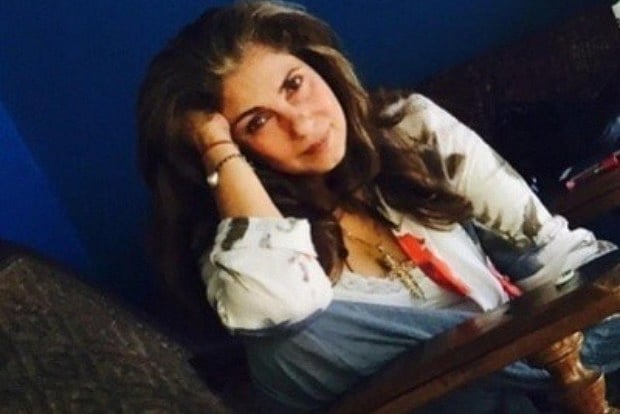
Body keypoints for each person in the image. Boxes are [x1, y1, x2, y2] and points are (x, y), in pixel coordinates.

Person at [137, 1, 619, 412]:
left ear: (320, 65)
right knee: (292, 338)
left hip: (565, 372)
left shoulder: (411, 129)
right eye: (257, 122)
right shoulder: (244, 254)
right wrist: (213, 143)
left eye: (294, 84)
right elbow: (278, 304)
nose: (301, 125)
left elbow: (554, 255)